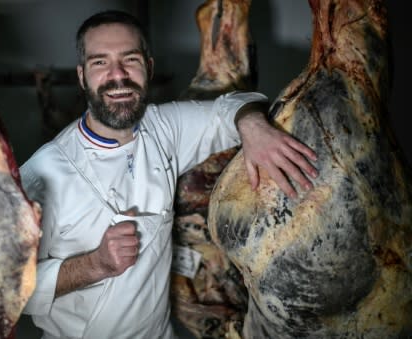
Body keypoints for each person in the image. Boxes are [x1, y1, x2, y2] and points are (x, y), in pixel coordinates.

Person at [20, 10, 318, 339]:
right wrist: (95, 265)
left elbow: (229, 108)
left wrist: (253, 126)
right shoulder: (42, 175)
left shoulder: (162, 127)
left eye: (129, 59)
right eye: (100, 62)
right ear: (82, 76)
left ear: (148, 68)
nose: (117, 75)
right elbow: (7, 289)